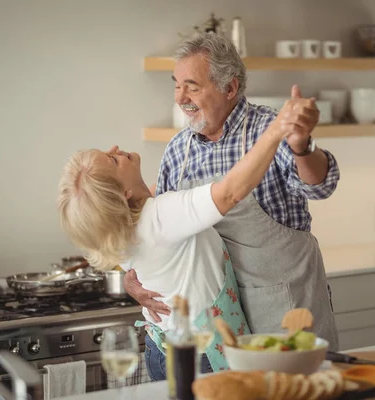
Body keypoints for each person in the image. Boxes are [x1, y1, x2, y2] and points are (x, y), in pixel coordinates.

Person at [56, 97, 305, 380]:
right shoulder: (161, 216)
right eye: (112, 160)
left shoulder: (122, 229)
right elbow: (228, 193)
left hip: (161, 349)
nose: (115, 148)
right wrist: (275, 131)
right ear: (122, 194)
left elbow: (152, 200)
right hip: (201, 356)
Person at [124, 32, 341, 350]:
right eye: (177, 85)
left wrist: (302, 146)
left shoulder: (270, 129)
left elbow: (319, 185)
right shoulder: (178, 150)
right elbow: (161, 232)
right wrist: (132, 277)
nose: (180, 97)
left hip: (284, 314)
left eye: (192, 87)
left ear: (230, 88)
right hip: (220, 323)